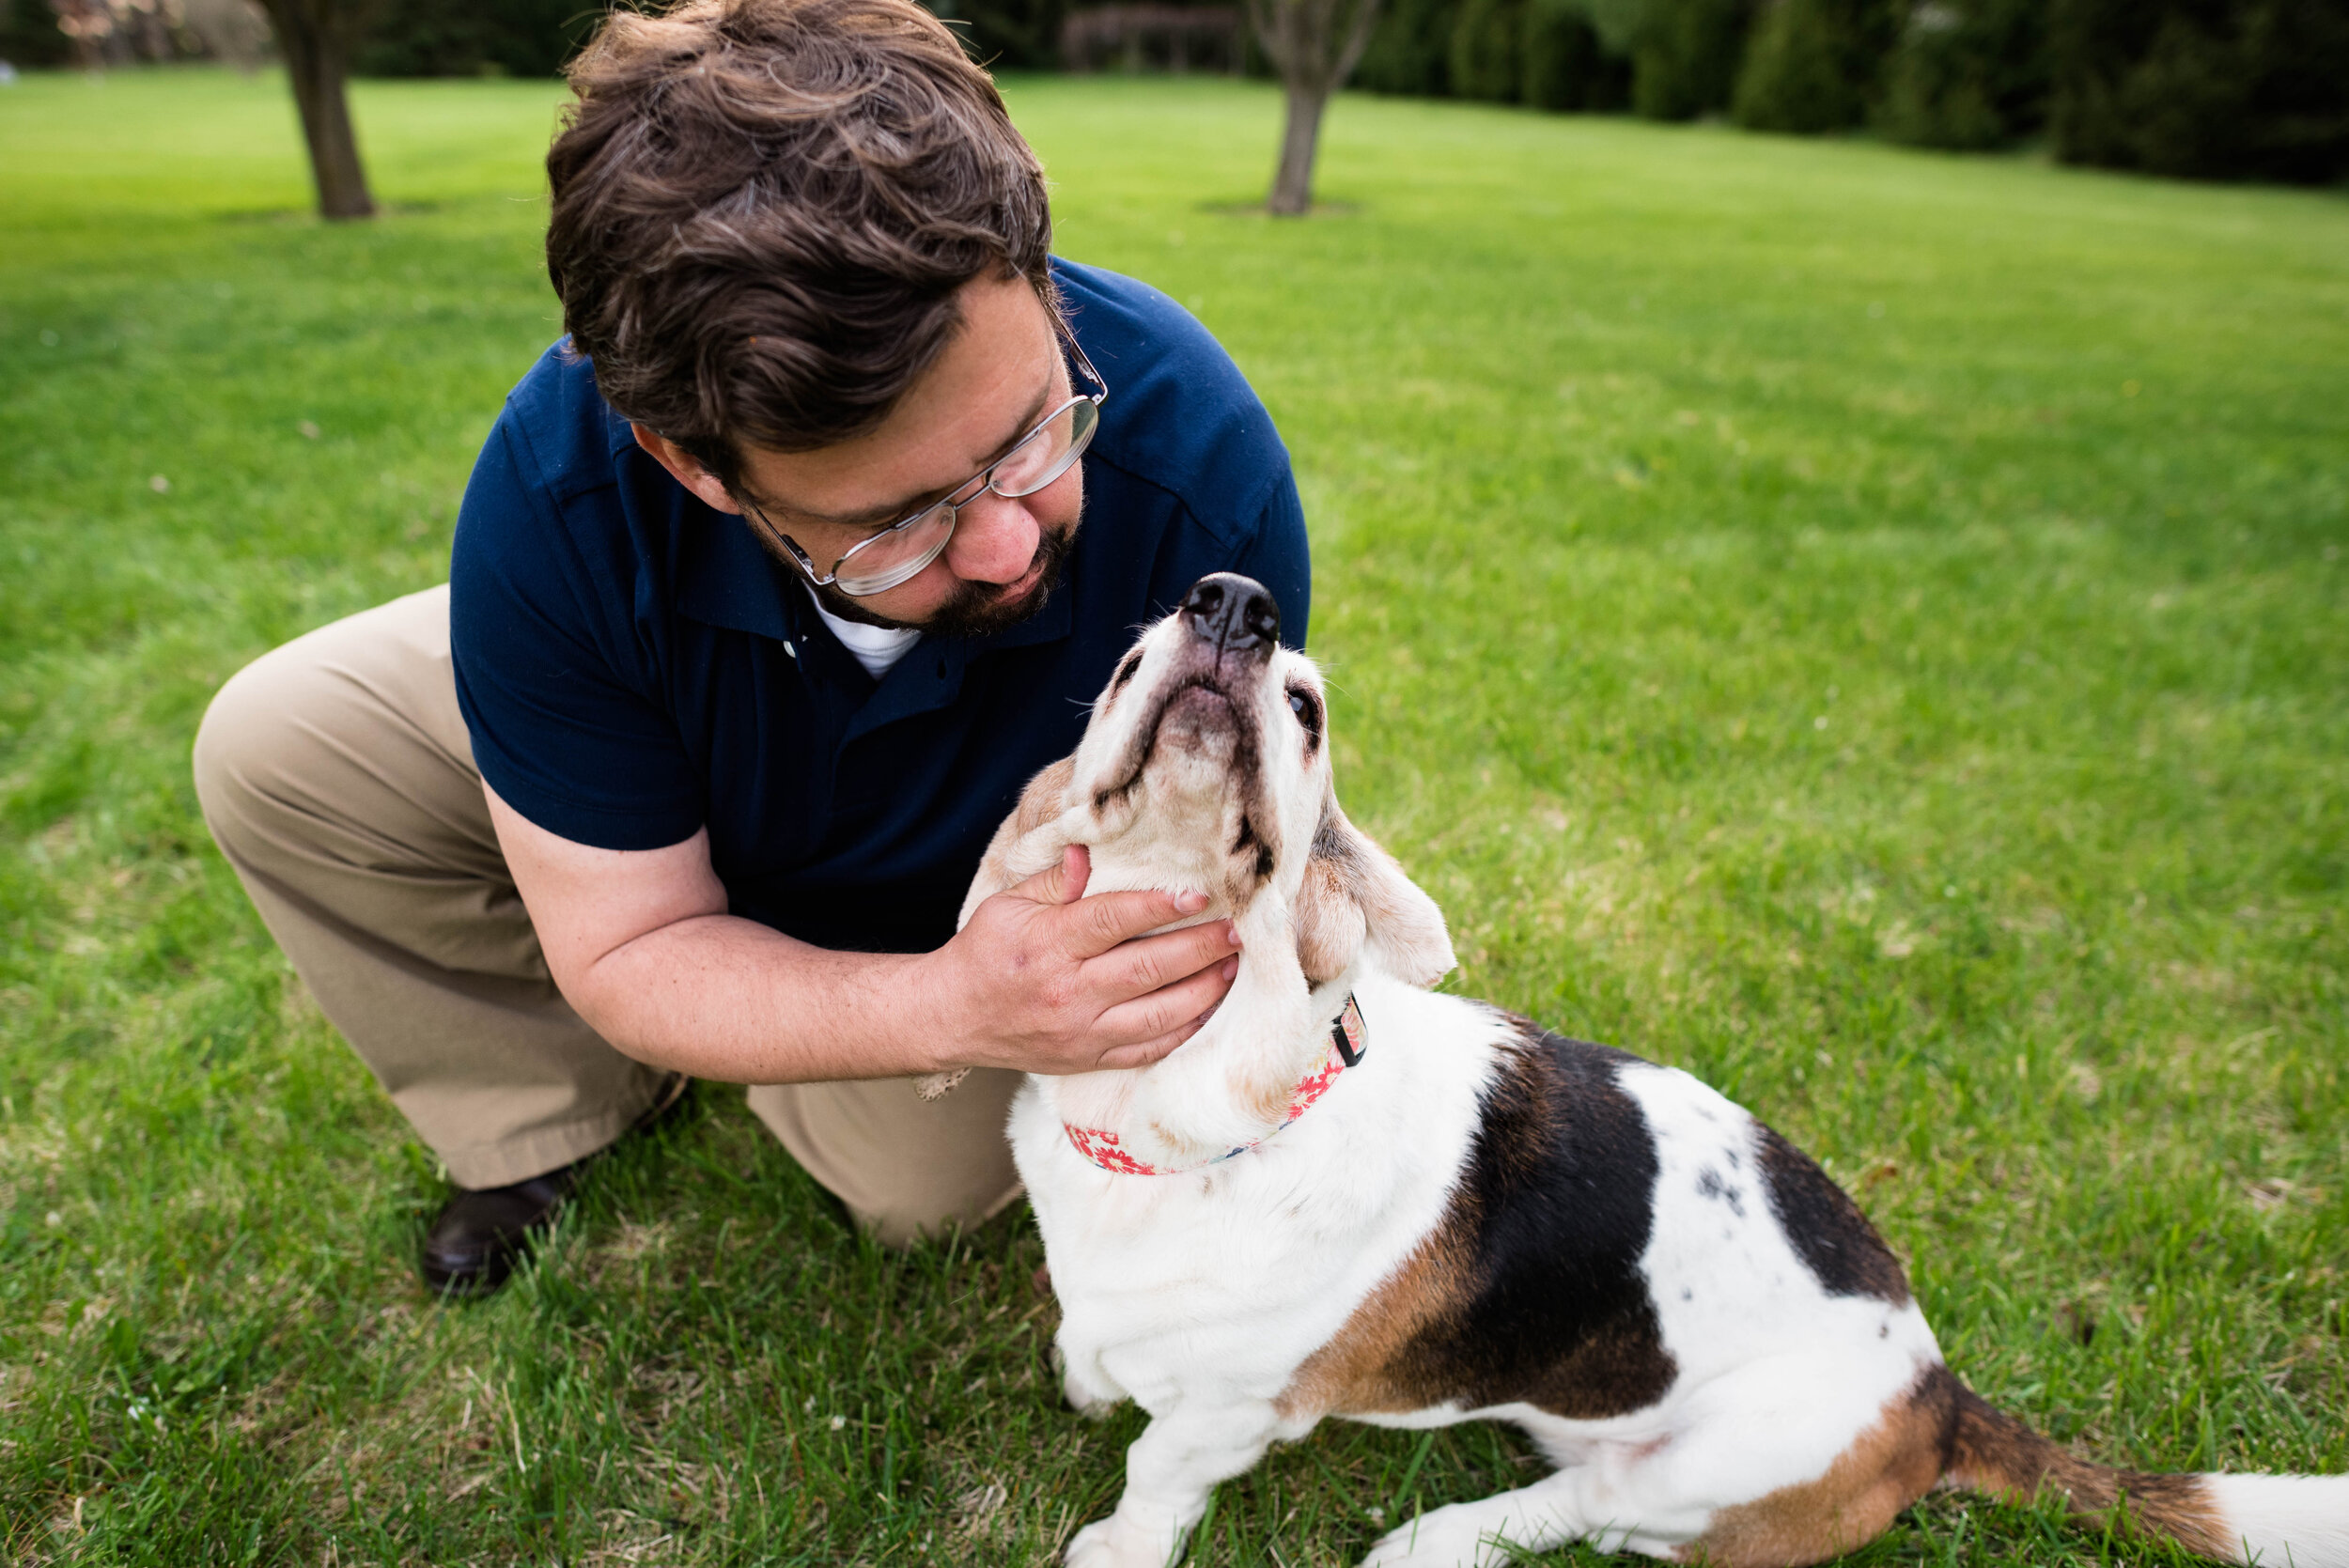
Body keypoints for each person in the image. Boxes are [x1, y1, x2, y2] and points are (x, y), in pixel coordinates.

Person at [192, 0, 1309, 1295]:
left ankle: (746, 976)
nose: (1008, 545)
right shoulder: (564, 498)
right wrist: (942, 1014)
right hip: (693, 743)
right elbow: (628, 946)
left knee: (919, 1193)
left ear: (1038, 273)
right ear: (689, 463)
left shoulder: (1203, 473)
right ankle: (557, 1102)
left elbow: (1211, 862)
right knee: (278, 745)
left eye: (1027, 438)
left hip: (955, 899)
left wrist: (986, 981)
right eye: (896, 522)